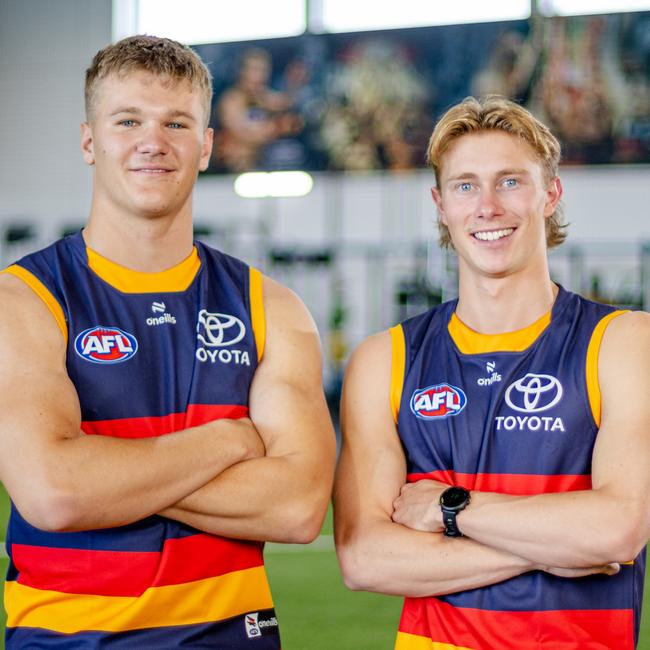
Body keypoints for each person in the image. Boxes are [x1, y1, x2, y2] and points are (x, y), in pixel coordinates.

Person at [0, 35, 336, 648]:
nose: (152, 142)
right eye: (128, 120)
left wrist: (107, 465)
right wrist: (230, 439)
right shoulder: (22, 300)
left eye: (177, 123)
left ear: (206, 146)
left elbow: (297, 507)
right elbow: (55, 491)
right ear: (89, 141)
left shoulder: (270, 307)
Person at [333, 95, 650, 649]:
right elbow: (365, 559)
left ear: (550, 193)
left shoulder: (624, 343)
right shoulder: (385, 359)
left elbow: (617, 530)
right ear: (440, 204)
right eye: (464, 186)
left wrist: (448, 508)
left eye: (510, 182)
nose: (487, 206)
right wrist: (552, 547)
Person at [214, 48, 303, 172]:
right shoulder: (232, 100)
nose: (260, 76)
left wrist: (295, 83)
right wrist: (277, 127)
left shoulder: (265, 96)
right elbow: (240, 133)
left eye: (264, 70)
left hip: (264, 165)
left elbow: (288, 107)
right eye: (255, 70)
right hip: (234, 169)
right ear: (242, 72)